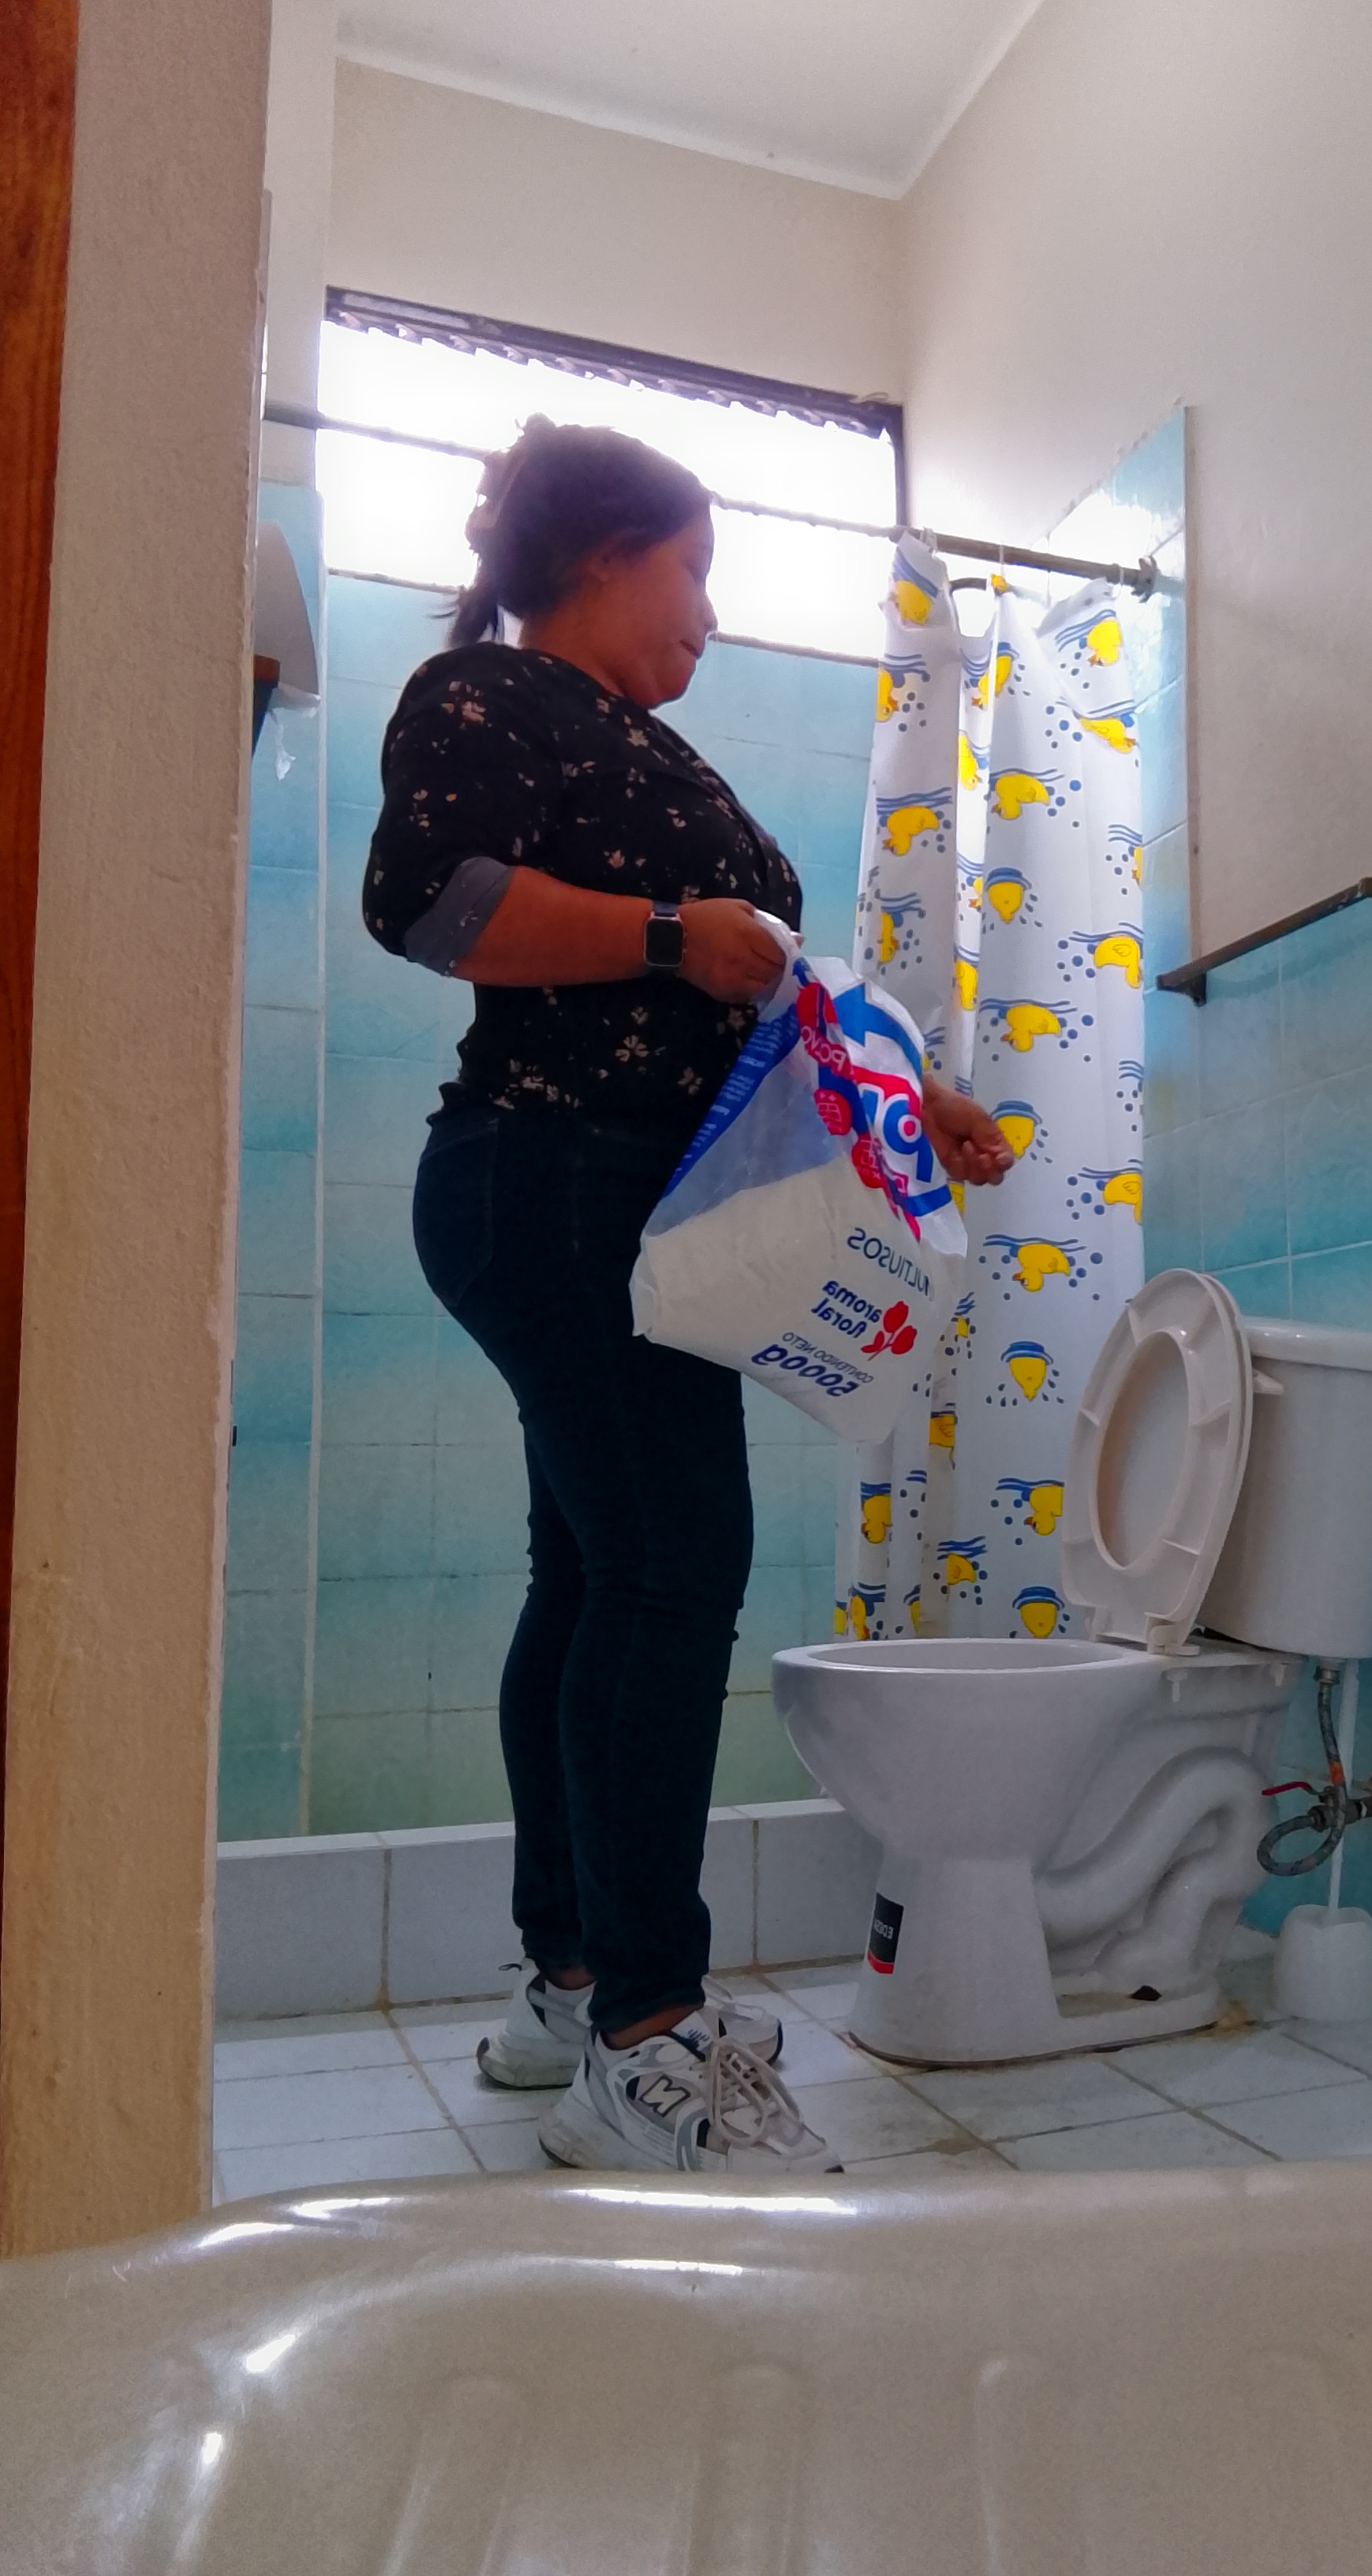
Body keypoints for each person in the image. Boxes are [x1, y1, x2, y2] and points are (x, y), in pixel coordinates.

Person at [363, 417, 1011, 2175]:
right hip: (551, 1171)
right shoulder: (484, 695)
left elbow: (780, 986)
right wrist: (667, 933)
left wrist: (923, 1094)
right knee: (671, 1563)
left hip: (622, 1199)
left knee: (595, 1574)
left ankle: (575, 1985)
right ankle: (646, 2041)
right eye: (697, 571)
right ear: (606, 555)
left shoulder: (649, 749)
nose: (711, 616)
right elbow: (428, 904)